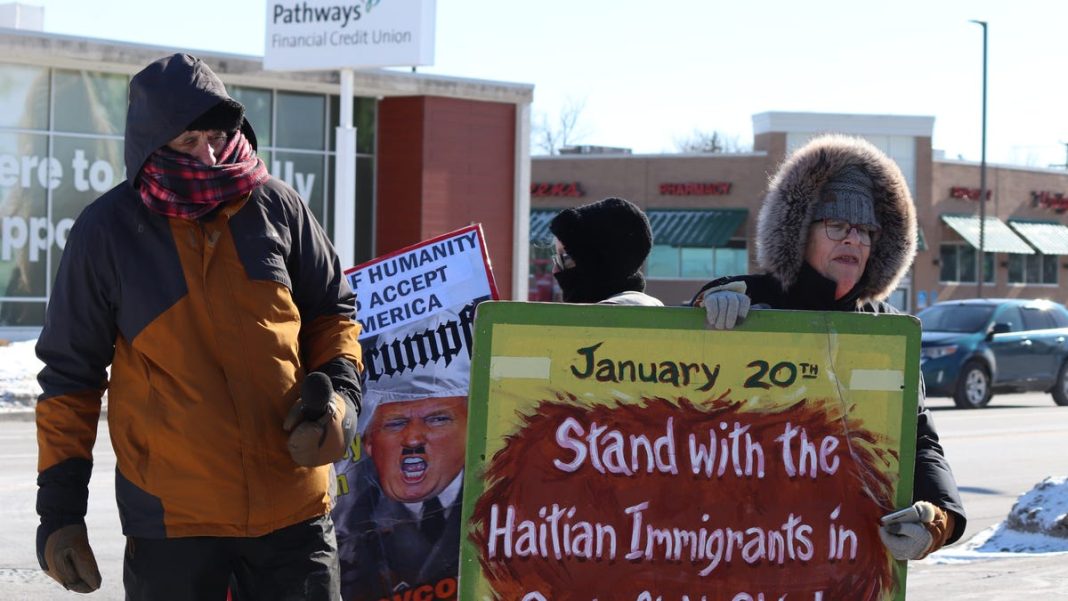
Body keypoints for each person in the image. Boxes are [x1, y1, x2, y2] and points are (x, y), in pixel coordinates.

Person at [34, 53, 362, 599]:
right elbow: (71, 379)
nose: (209, 156)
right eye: (188, 143)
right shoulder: (108, 232)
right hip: (173, 527)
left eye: (215, 135)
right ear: (150, 148)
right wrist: (59, 514)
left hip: (293, 513)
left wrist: (341, 405)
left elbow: (334, 315)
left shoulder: (278, 207)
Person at [693, 134, 966, 561]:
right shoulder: (749, 300)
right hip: (739, 549)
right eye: (838, 226)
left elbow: (918, 440)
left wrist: (940, 519)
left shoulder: (889, 331)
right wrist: (697, 321)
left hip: (844, 552)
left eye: (866, 231)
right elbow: (679, 410)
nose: (853, 240)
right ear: (800, 233)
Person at [335, 334, 470, 601]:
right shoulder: (349, 531)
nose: (413, 438)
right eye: (395, 423)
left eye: (437, 418)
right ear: (369, 440)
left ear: (471, 427)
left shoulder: (506, 503)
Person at [548, 196, 663, 306]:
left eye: (566, 258)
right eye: (557, 259)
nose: (555, 270)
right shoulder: (650, 308)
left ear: (601, 262)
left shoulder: (609, 313)